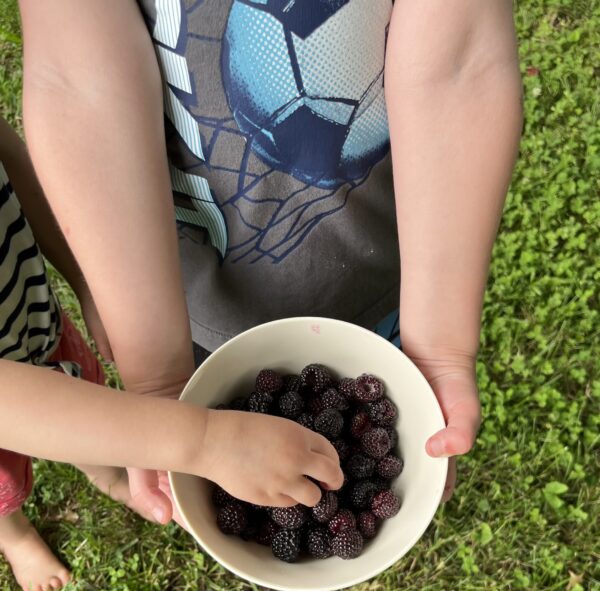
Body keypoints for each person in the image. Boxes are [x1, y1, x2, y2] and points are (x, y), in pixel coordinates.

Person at [16, 0, 523, 524]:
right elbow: (79, 83)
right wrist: (159, 381)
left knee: (382, 369)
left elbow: (459, 61)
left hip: (385, 269)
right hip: (181, 295)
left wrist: (438, 346)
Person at [0, 116, 341, 591]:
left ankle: (109, 471)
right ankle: (13, 535)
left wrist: (84, 280)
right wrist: (206, 441)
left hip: (32, 322)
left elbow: (9, 160)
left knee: (83, 404)